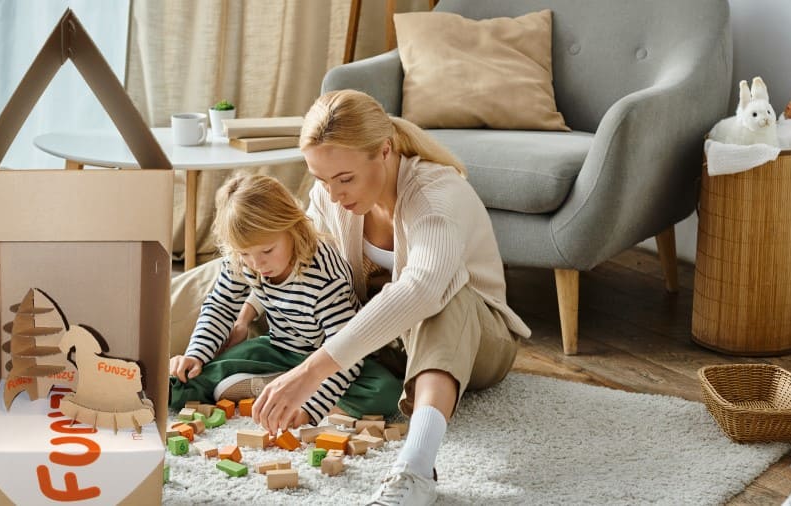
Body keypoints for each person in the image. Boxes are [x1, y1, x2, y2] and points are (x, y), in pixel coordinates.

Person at [243, 90, 532, 505]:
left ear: (383, 150)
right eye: (322, 179)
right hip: (386, 343)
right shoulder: (330, 194)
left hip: (476, 340)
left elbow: (422, 290)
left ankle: (415, 469)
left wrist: (310, 373)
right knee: (258, 260)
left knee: (445, 298)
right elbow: (301, 257)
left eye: (344, 179)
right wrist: (246, 306)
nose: (333, 194)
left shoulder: (435, 198)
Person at [168, 173, 402, 426]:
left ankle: (295, 390)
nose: (257, 264)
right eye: (245, 253)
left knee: (386, 392)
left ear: (293, 229)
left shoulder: (324, 276)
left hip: (330, 358)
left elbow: (345, 351)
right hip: (278, 349)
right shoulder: (243, 260)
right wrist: (195, 354)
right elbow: (221, 306)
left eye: (267, 250)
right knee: (181, 382)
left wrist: (311, 410)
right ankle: (277, 382)